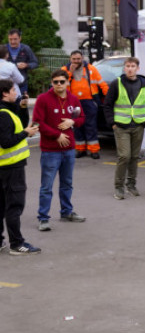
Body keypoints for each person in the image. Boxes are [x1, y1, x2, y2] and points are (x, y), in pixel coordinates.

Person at [32, 69, 86, 231]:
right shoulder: (43, 99)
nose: (59, 84)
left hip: (69, 150)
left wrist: (72, 122)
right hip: (50, 151)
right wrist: (57, 135)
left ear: (67, 82)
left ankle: (66, 212)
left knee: (67, 184)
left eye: (62, 81)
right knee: (46, 186)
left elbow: (81, 118)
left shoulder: (73, 99)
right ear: (52, 83)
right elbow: (38, 122)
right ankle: (43, 218)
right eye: (56, 82)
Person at [104, 56, 145, 200]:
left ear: (137, 68)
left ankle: (131, 184)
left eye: (133, 66)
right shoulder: (117, 83)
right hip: (121, 126)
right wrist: (112, 123)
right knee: (124, 156)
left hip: (138, 125)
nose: (130, 69)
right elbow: (107, 104)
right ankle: (119, 187)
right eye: (127, 66)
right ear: (124, 68)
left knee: (134, 157)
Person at [0, 78, 41, 255]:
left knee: (2, 205)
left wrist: (23, 107)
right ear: (5, 93)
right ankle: (17, 244)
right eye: (13, 90)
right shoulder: (3, 114)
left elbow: (19, 124)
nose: (16, 93)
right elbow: (6, 141)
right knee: (14, 206)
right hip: (11, 167)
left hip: (6, 166)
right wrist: (26, 133)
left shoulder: (7, 110)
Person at [63, 50, 109, 159]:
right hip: (73, 103)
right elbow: (61, 84)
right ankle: (80, 149)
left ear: (82, 58)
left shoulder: (91, 69)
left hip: (89, 102)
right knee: (77, 126)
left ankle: (94, 150)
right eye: (74, 59)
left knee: (91, 126)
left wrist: (109, 97)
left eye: (78, 59)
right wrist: (70, 73)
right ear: (70, 59)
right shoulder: (64, 70)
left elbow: (102, 84)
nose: (76, 61)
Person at [7, 28, 38, 98]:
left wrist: (27, 65)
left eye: (15, 39)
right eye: (10, 39)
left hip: (22, 84)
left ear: (20, 38)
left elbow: (35, 63)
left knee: (22, 103)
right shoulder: (4, 49)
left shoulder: (26, 49)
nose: (12, 42)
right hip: (6, 84)